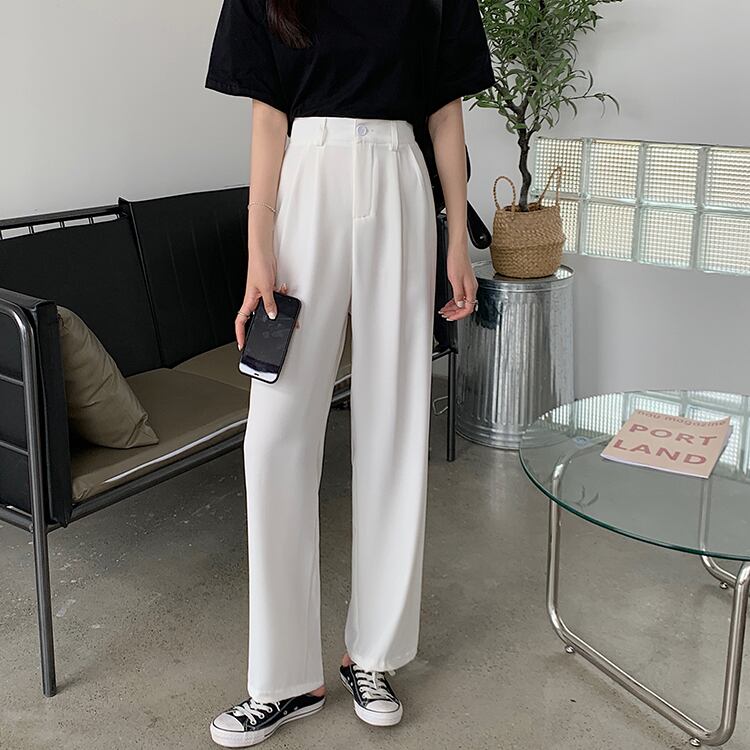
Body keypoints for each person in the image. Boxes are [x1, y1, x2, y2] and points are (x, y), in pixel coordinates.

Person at [203, 0, 494, 745]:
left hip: (401, 180)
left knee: (395, 422)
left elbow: (445, 113)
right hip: (306, 183)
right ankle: (283, 678)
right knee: (274, 434)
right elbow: (268, 117)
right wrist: (258, 249)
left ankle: (374, 655)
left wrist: (456, 240)